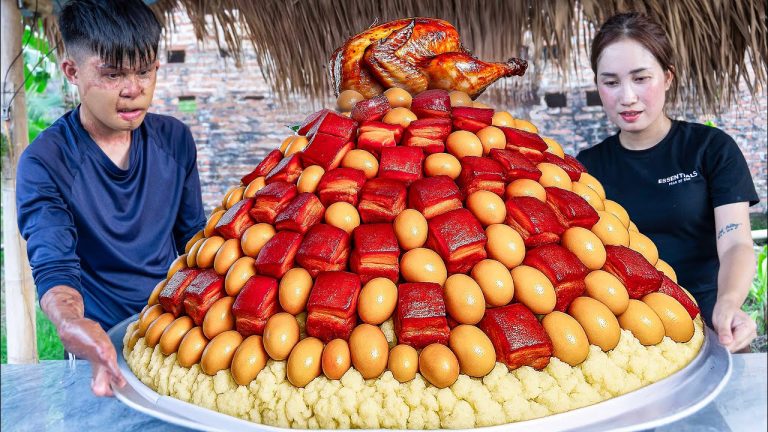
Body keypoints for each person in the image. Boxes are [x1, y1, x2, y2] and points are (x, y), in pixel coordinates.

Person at [16, 0, 206, 396]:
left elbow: (195, 241)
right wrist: (71, 325)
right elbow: (54, 267)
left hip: (172, 338)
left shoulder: (175, 140)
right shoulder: (46, 160)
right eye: (113, 74)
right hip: (97, 348)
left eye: (144, 70)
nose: (133, 89)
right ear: (72, 71)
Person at [577, 12, 759, 352]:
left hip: (713, 327)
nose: (627, 97)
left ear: (668, 77)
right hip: (628, 344)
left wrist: (729, 304)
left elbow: (735, 242)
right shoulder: (584, 168)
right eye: (611, 82)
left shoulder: (710, 149)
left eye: (641, 78)